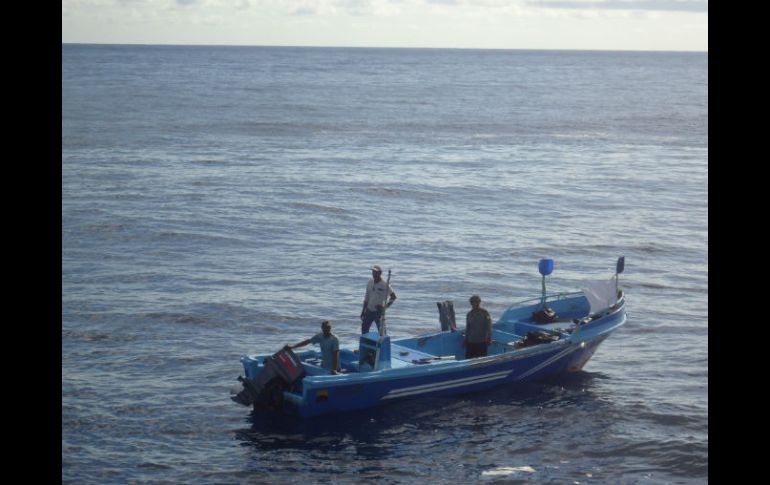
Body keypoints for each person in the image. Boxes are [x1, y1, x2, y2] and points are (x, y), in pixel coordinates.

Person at [360, 265, 397, 335]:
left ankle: (383, 341)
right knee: (364, 329)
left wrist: (385, 307)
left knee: (382, 332)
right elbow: (366, 297)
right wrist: (363, 311)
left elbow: (393, 297)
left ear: (380, 273)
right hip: (369, 310)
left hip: (378, 312)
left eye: (376, 272)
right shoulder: (370, 282)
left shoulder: (385, 284)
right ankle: (366, 341)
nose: (374, 274)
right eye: (373, 272)